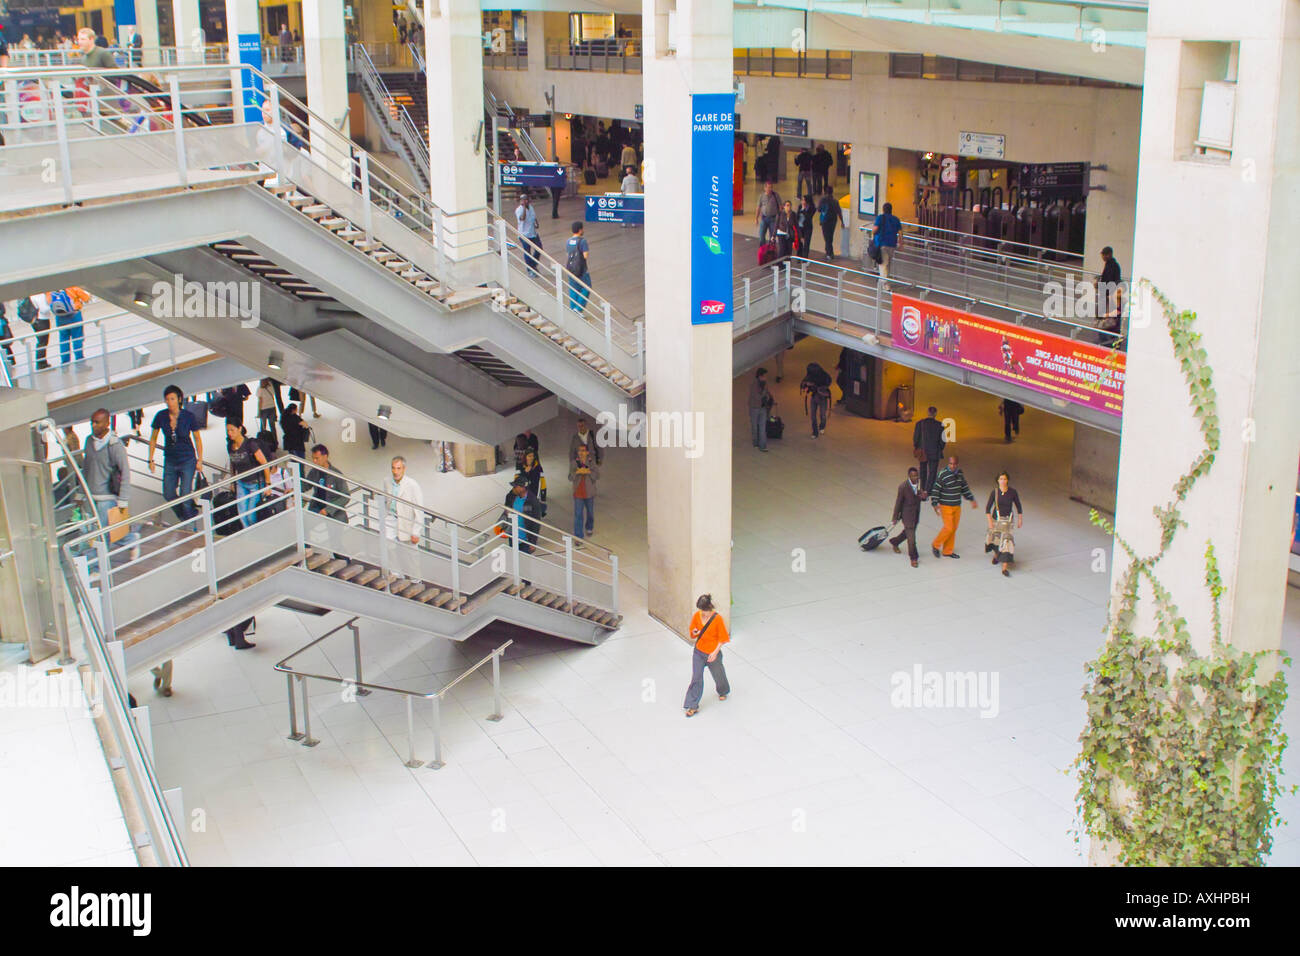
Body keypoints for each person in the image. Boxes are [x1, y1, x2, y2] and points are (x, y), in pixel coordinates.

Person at [83, 408, 137, 549]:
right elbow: (86, 467)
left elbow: (125, 471)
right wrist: (81, 492)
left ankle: (97, 567)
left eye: (97, 422)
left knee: (101, 534)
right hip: (91, 495)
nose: (93, 425)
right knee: (105, 531)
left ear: (107, 423)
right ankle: (131, 540)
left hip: (107, 496)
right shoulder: (89, 441)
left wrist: (123, 499)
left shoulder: (114, 445)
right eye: (92, 422)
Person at [148, 385, 203, 523]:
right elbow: (153, 437)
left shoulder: (188, 416)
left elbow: (197, 438)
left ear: (179, 399)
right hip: (171, 460)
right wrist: (150, 459)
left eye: (172, 399)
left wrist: (200, 459)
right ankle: (185, 517)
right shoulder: (161, 416)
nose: (169, 402)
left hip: (187, 459)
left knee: (185, 493)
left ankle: (190, 517)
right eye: (167, 399)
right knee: (168, 493)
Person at [683, 593, 730, 718]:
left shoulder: (717, 619)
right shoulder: (697, 616)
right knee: (696, 677)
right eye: (701, 611)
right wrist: (694, 632)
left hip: (712, 652)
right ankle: (692, 705)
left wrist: (715, 653)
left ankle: (723, 690)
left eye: (705, 611)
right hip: (699, 652)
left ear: (710, 608)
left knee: (718, 673)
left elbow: (722, 638)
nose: (703, 614)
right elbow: (693, 631)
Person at [930, 454, 978, 559]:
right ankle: (935, 544)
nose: (952, 466)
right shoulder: (942, 474)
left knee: (953, 529)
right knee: (949, 527)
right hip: (945, 505)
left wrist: (971, 499)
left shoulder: (960, 474)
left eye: (954, 464)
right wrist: (934, 504)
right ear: (948, 463)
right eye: (950, 464)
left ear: (957, 464)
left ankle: (947, 551)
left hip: (957, 505)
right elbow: (936, 489)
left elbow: (964, 488)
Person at [226, 423, 270, 528]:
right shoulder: (230, 446)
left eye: (232, 430)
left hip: (255, 483)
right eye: (228, 430)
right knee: (242, 514)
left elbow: (264, 463)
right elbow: (233, 464)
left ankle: (255, 534)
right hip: (241, 483)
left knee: (251, 515)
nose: (229, 433)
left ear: (239, 429)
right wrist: (233, 481)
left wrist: (268, 484)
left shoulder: (250, 444)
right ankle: (248, 535)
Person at [985, 471, 1024, 578]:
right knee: (996, 541)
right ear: (997, 480)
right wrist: (990, 522)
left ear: (1008, 480)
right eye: (1001, 479)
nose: (1003, 481)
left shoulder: (1012, 492)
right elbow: (987, 508)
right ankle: (997, 556)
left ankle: (1004, 568)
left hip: (1008, 521)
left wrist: (1020, 519)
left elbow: (1018, 506)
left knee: (1007, 542)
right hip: (996, 520)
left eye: (1005, 479)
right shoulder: (995, 492)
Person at [890, 466, 926, 568]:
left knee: (908, 533)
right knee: (912, 538)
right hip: (907, 515)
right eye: (913, 476)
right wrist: (895, 517)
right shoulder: (903, 487)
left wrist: (923, 496)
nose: (915, 478)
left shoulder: (919, 483)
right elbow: (898, 503)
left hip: (916, 514)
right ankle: (913, 558)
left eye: (916, 475)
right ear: (909, 476)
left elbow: (920, 495)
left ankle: (895, 541)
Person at [385, 455, 424, 546]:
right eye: (393, 468)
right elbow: (385, 500)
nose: (395, 472)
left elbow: (419, 510)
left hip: (406, 522)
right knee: (389, 546)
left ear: (404, 469)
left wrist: (416, 532)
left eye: (399, 468)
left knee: (410, 553)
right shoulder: (387, 481)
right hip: (391, 518)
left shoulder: (413, 485)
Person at [305, 444, 350, 522]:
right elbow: (306, 484)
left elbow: (345, 496)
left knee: (335, 532)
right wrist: (293, 489)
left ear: (325, 457)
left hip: (333, 511)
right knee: (305, 525)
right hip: (316, 506)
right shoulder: (314, 471)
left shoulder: (336, 474)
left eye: (317, 458)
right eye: (313, 458)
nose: (314, 461)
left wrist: (328, 510)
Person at [502, 473, 541, 554]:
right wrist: (507, 511)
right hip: (513, 536)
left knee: (524, 565)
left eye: (515, 486)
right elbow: (506, 507)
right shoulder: (511, 496)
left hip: (525, 541)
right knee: (514, 561)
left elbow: (536, 523)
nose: (513, 488)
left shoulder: (533, 501)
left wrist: (533, 542)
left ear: (522, 488)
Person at [912, 406, 946, 493]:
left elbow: (915, 438)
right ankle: (928, 490)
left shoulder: (920, 423)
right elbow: (943, 441)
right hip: (934, 452)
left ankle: (922, 488)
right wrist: (939, 448)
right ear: (935, 414)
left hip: (923, 451)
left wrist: (917, 447)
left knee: (923, 470)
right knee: (932, 472)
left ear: (928, 412)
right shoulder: (940, 425)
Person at [569, 443, 599, 540]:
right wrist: (577, 472)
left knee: (590, 512)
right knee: (578, 514)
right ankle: (578, 536)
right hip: (578, 493)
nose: (581, 453)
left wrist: (588, 472)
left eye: (583, 451)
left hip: (589, 493)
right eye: (579, 451)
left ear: (587, 452)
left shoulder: (591, 462)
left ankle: (589, 527)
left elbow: (597, 475)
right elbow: (570, 477)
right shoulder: (574, 463)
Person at [49, 289, 84, 366]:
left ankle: (65, 361)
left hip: (60, 318)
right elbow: (86, 298)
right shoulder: (72, 288)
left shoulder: (50, 292)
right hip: (74, 316)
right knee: (77, 338)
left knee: (64, 340)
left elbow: (49, 305)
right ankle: (79, 359)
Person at [1098, 246, 1124, 345]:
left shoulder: (1112, 266)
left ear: (1109, 254)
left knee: (1109, 318)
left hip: (1109, 297)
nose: (1102, 257)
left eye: (1104, 255)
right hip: (1109, 296)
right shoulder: (1111, 265)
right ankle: (1112, 339)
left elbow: (1109, 281)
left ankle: (1108, 340)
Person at [799, 362, 832, 439]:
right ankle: (815, 432)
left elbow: (827, 384)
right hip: (814, 397)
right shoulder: (809, 376)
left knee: (822, 415)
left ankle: (822, 426)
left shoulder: (825, 376)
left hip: (822, 398)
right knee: (813, 416)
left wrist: (814, 385)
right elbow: (803, 383)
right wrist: (805, 385)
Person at [515, 192, 542, 277]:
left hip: (533, 233)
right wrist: (523, 208)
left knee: (539, 249)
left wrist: (536, 223)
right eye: (523, 200)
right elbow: (522, 218)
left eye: (526, 200)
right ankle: (530, 269)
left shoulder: (531, 207)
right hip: (524, 234)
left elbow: (534, 216)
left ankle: (533, 265)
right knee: (527, 252)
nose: (525, 201)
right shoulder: (519, 210)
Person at [565, 222, 591, 312]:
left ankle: (573, 308)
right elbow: (585, 256)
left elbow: (568, 254)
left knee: (573, 289)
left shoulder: (568, 241)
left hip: (571, 268)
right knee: (587, 288)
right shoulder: (582, 241)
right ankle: (578, 308)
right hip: (581, 269)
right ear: (580, 230)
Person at [872, 202, 902, 279]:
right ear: (891, 210)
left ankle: (884, 284)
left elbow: (875, 230)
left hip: (882, 243)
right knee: (888, 263)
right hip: (892, 244)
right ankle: (883, 280)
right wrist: (901, 243)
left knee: (883, 264)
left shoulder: (880, 218)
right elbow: (900, 233)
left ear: (883, 210)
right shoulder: (896, 219)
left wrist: (873, 233)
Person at [747, 366, 773, 452]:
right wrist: (764, 397)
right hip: (754, 408)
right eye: (764, 376)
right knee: (755, 426)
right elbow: (756, 396)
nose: (766, 377)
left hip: (762, 408)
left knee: (762, 426)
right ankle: (756, 442)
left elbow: (767, 393)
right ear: (760, 376)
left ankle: (762, 445)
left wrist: (769, 398)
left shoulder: (765, 384)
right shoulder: (754, 384)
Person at [755, 181, 781, 247]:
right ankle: (762, 248)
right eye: (768, 187)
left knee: (772, 236)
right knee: (761, 235)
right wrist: (756, 218)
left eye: (771, 187)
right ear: (765, 188)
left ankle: (771, 249)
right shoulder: (761, 196)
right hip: (764, 218)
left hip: (773, 219)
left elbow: (780, 207)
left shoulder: (776, 195)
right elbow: (758, 207)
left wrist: (779, 219)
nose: (770, 189)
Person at [817, 190, 839, 260]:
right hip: (833, 221)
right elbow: (839, 211)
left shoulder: (823, 201)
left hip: (825, 221)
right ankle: (829, 251)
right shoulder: (835, 201)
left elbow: (819, 210)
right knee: (830, 236)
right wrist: (842, 221)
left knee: (826, 237)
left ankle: (829, 253)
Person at [796, 195, 816, 260]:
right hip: (800, 227)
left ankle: (805, 257)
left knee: (807, 242)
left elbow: (809, 217)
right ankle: (799, 256)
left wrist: (804, 210)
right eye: (802, 200)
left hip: (807, 227)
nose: (803, 202)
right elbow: (797, 216)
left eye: (804, 200)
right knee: (799, 242)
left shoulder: (812, 208)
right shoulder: (800, 207)